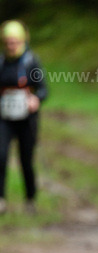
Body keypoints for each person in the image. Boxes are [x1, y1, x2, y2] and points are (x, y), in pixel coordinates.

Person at [0, 20, 48, 214]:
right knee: (0, 156)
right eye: (8, 42)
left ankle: (30, 200)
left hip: (26, 118)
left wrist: (36, 99)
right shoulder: (1, 62)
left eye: (15, 42)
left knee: (26, 159)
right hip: (4, 117)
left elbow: (44, 89)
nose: (11, 46)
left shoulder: (31, 62)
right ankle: (1, 200)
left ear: (22, 41)